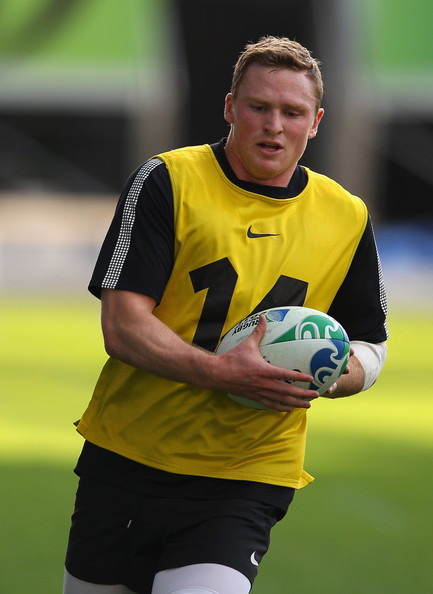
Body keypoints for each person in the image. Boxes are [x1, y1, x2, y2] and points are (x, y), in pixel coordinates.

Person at [63, 36, 388, 594]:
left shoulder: (347, 215)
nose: (274, 126)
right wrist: (221, 372)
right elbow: (122, 325)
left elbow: (371, 344)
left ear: (316, 123)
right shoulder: (168, 180)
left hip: (247, 474)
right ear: (230, 108)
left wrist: (330, 375)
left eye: (293, 113)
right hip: (129, 455)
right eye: (259, 107)